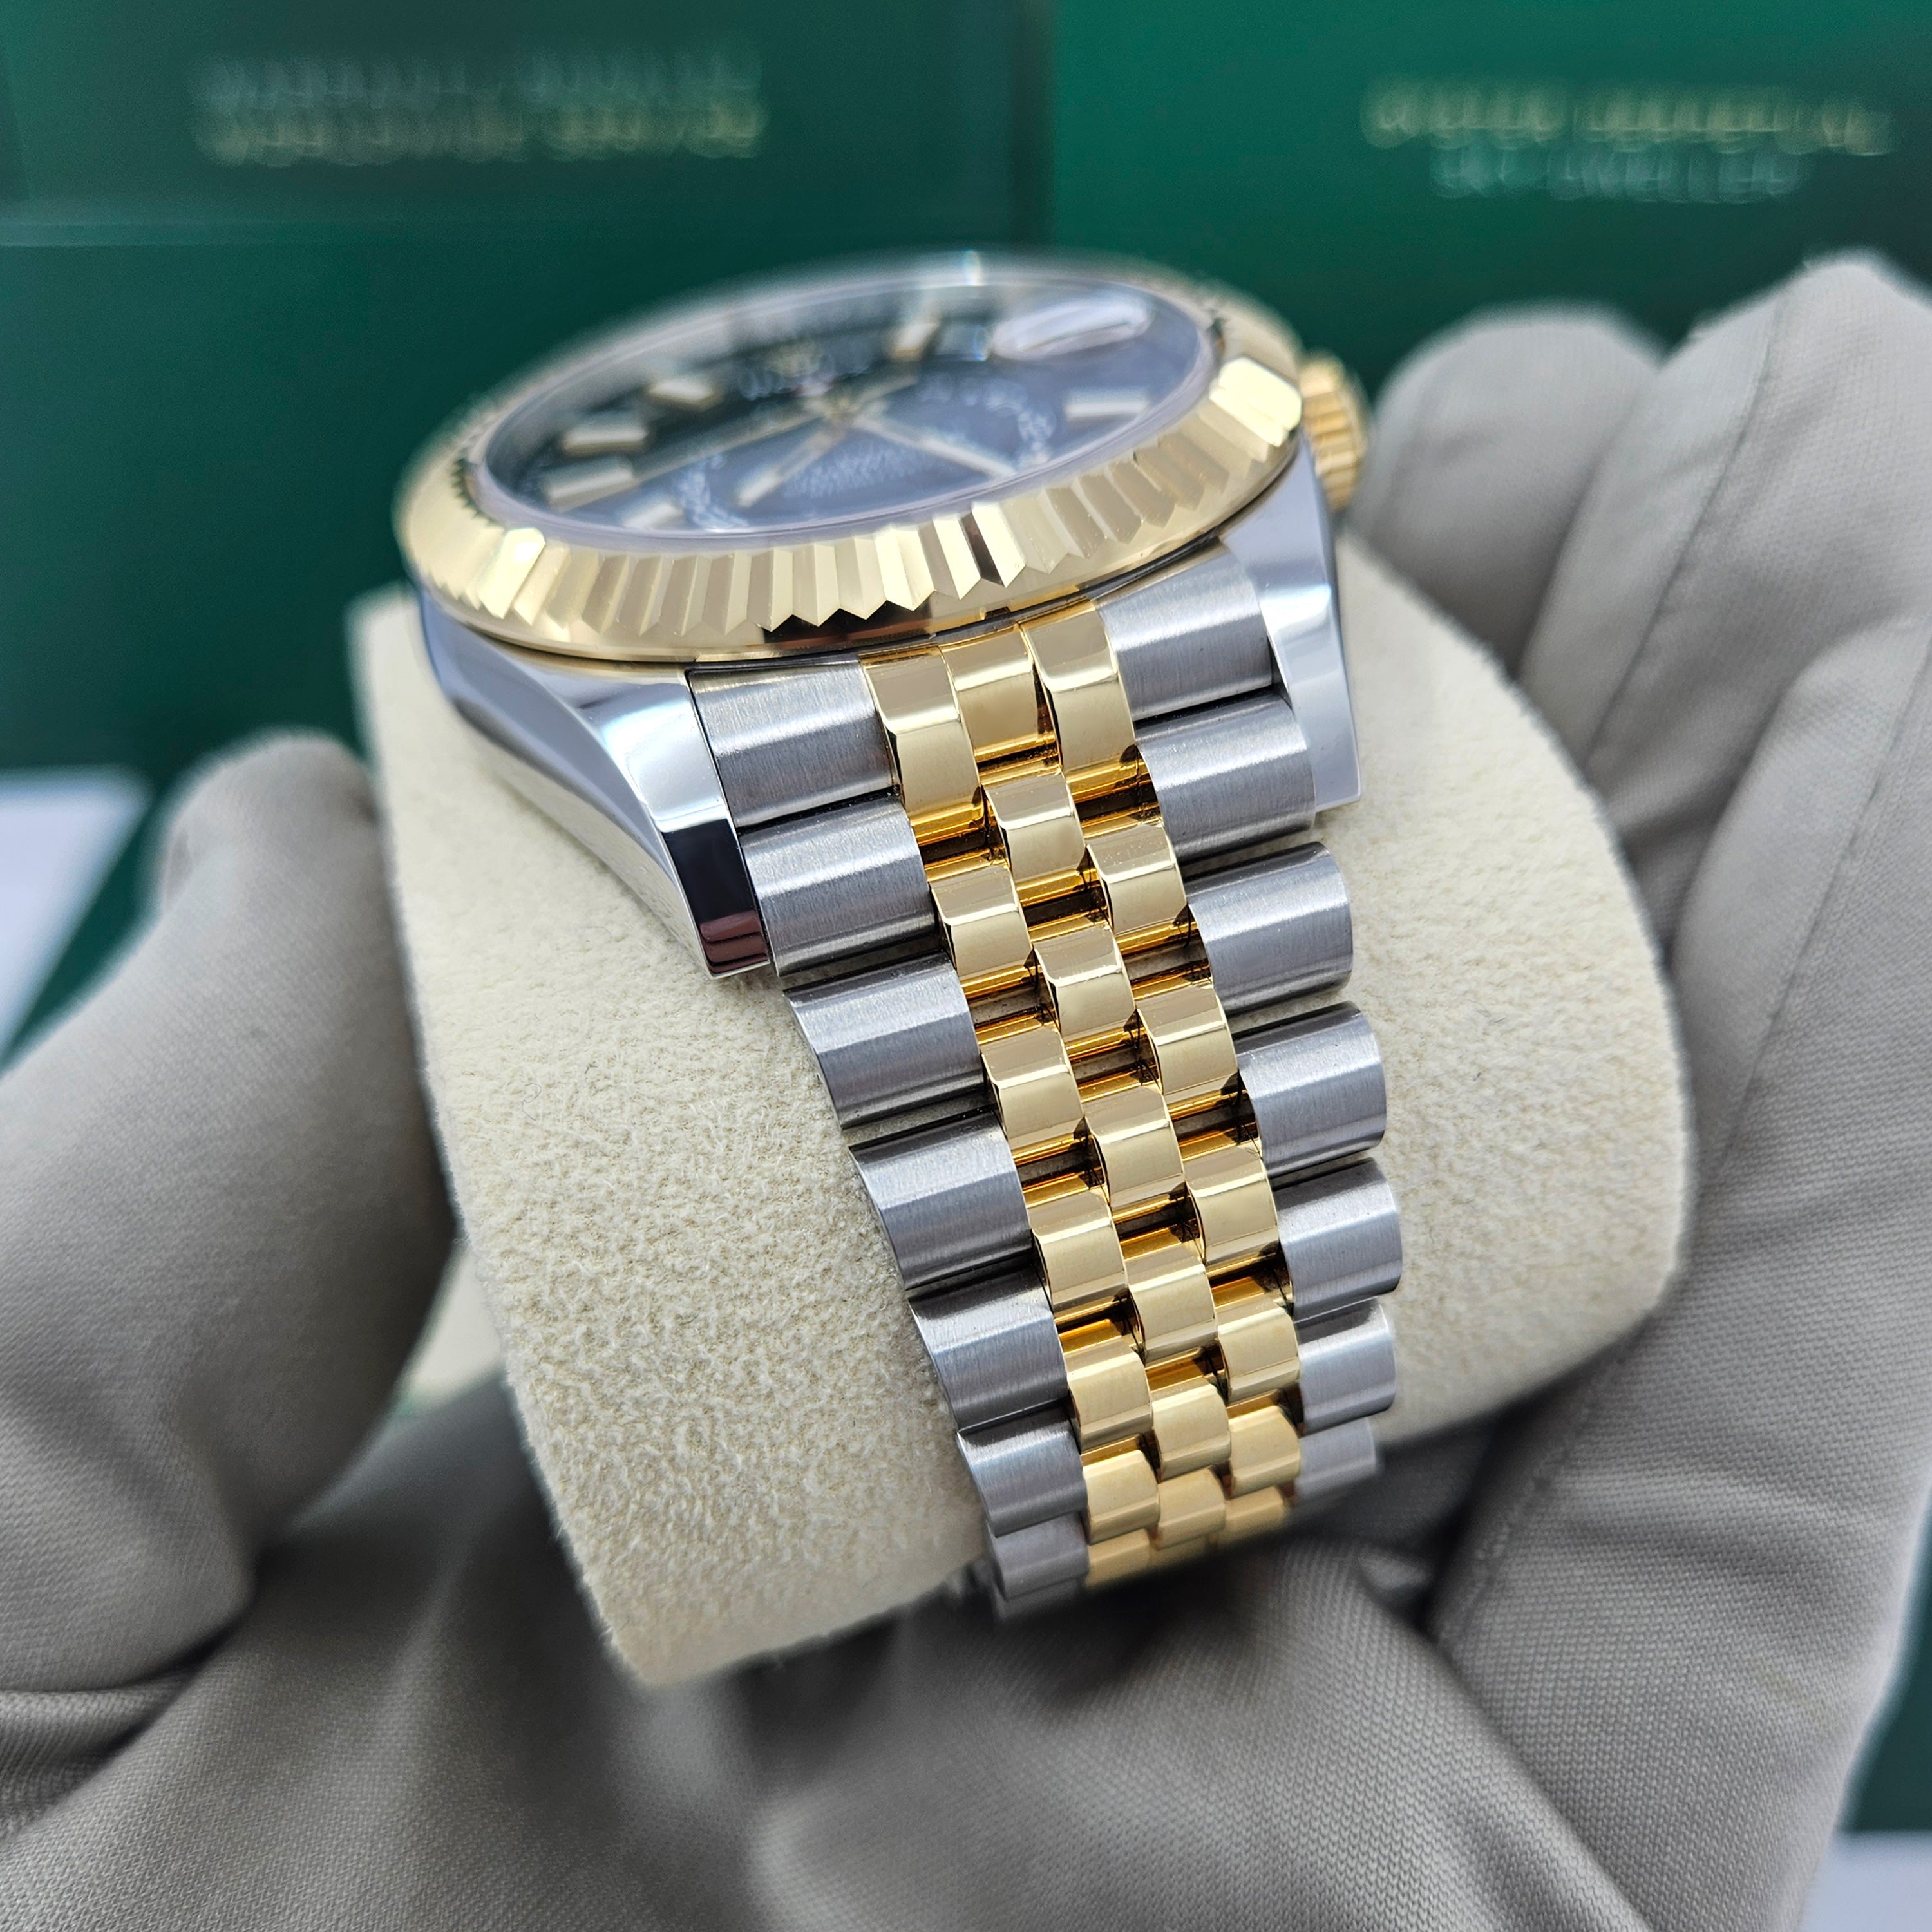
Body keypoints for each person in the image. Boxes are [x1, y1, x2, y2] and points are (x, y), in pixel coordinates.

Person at [2, 254, 1928, 1931]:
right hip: (730, 705)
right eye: (804, 413)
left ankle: (1204, 1410)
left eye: (876, 397)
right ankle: (1169, 1409)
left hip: (1100, 645)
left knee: (1198, 1051)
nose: (836, 412)